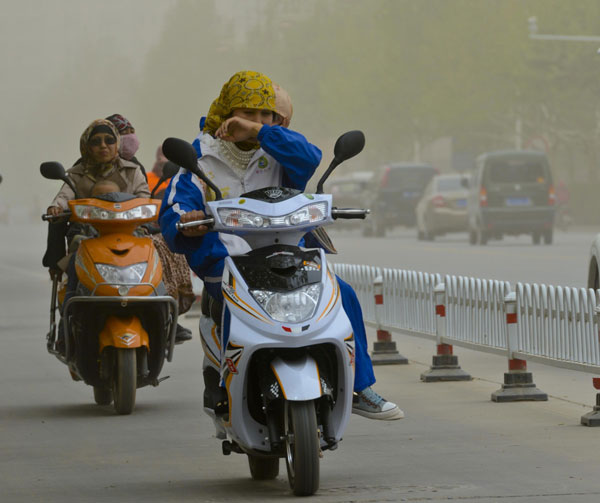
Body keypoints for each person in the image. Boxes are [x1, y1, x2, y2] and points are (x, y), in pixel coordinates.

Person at [160, 71, 401, 419]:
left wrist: (259, 132)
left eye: (265, 114)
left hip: (289, 256)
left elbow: (309, 158)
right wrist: (184, 222)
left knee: (343, 293)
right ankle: (231, 397)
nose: (256, 121)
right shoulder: (201, 156)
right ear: (227, 110)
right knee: (233, 311)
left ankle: (359, 386)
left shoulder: (278, 149)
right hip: (227, 265)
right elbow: (174, 208)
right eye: (246, 112)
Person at [105, 113, 146, 178]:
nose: (131, 137)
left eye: (132, 132)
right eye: (124, 133)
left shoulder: (137, 167)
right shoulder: (100, 167)